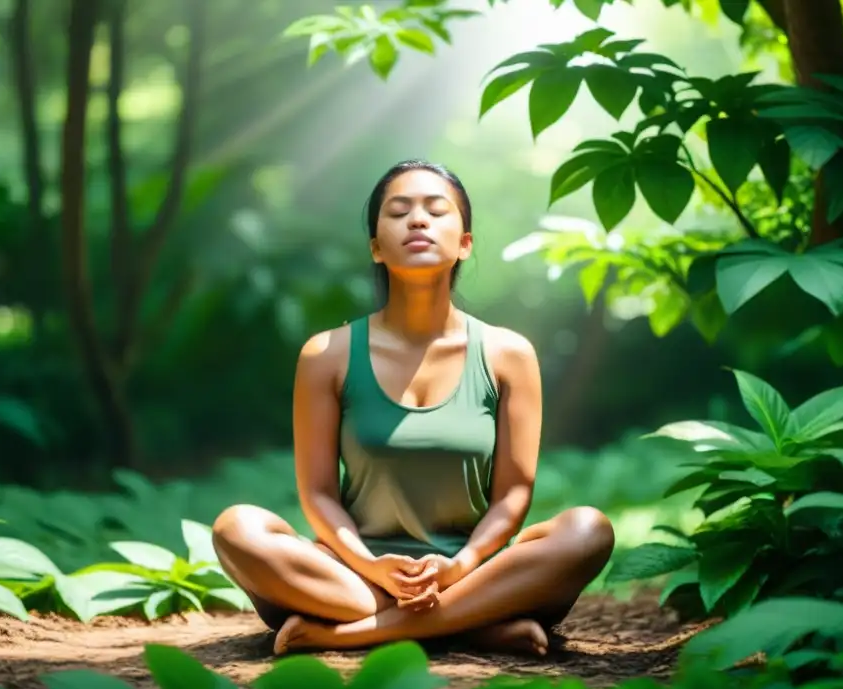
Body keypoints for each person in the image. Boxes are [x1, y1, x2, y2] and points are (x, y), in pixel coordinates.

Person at [212, 160, 615, 656]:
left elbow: (513, 497)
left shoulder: (509, 354)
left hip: (472, 575)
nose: (418, 220)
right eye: (399, 211)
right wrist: (371, 567)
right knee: (237, 527)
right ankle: (472, 628)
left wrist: (461, 567)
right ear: (376, 248)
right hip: (350, 580)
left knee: (588, 530)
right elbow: (318, 495)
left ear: (465, 242)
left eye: (436, 210)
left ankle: (362, 633)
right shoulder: (327, 355)